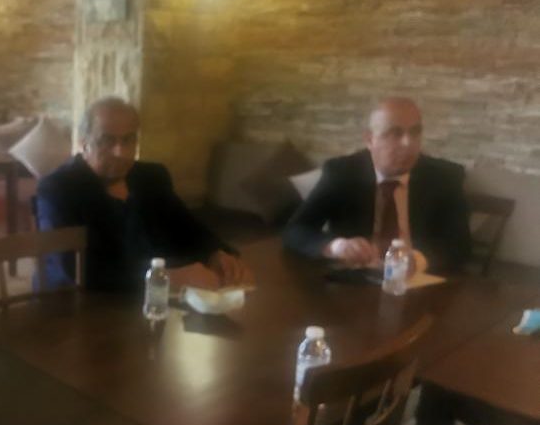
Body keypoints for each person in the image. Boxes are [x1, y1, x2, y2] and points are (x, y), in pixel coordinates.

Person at [36, 97, 251, 292]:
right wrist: (168, 277)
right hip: (81, 303)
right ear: (84, 143)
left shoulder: (151, 177)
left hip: (152, 300)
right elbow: (77, 270)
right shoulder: (58, 189)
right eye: (107, 140)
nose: (120, 152)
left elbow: (187, 227)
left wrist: (214, 252)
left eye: (128, 140)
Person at [283, 97, 472, 274]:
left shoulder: (444, 177)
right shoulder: (342, 172)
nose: (408, 143)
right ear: (369, 140)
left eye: (415, 132)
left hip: (420, 280)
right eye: (394, 133)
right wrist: (337, 246)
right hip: (356, 277)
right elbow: (296, 229)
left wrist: (417, 260)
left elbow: (460, 244)